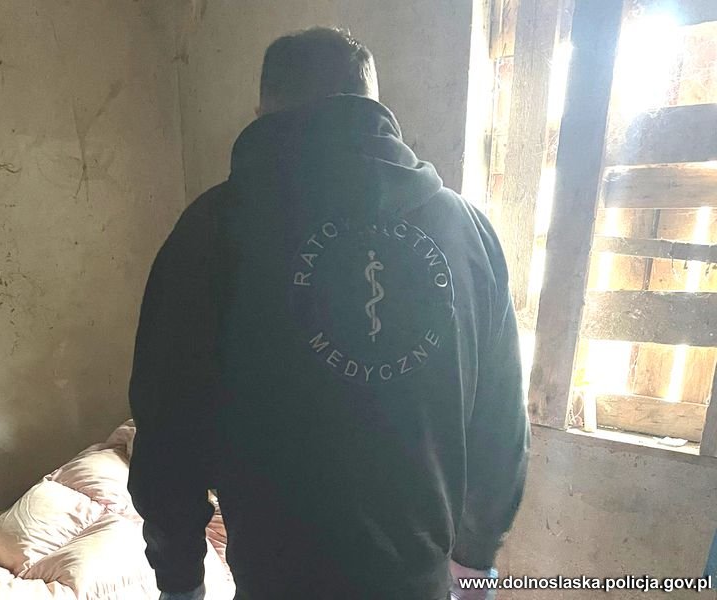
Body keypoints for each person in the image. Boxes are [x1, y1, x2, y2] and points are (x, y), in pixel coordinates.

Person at [128, 26, 529, 600]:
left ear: (264, 110)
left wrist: (180, 580)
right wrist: (476, 557)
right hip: (418, 583)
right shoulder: (467, 231)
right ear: (375, 107)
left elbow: (167, 425)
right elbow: (501, 425)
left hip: (276, 582)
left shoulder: (210, 232)